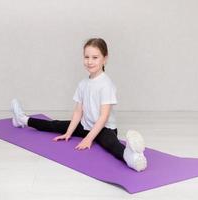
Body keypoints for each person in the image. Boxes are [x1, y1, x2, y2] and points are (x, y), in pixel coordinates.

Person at [10, 38, 147, 172]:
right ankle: (23, 119)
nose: (90, 61)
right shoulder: (83, 84)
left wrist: (88, 139)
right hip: (85, 125)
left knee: (110, 143)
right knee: (55, 125)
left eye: (95, 57)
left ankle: (132, 158)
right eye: (86, 57)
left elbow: (103, 117)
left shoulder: (106, 85)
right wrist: (68, 133)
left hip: (104, 128)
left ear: (105, 59)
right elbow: (78, 112)